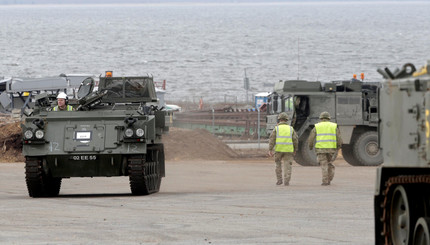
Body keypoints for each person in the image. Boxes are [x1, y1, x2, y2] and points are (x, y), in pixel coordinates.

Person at [308, 111, 342, 186]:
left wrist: (310, 146)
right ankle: (329, 178)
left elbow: (311, 138)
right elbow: (339, 138)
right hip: (331, 149)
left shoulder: (317, 126)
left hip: (320, 149)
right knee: (329, 163)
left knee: (323, 165)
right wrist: (338, 147)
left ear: (321, 118)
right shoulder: (334, 126)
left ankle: (325, 181)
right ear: (329, 118)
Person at [268, 112, 298, 186]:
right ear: (287, 120)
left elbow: (272, 139)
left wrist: (270, 149)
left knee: (278, 165)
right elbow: (295, 140)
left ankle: (279, 180)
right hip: (288, 150)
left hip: (278, 150)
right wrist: (295, 149)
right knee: (287, 166)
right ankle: (286, 181)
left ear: (279, 120)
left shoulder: (276, 128)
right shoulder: (291, 129)